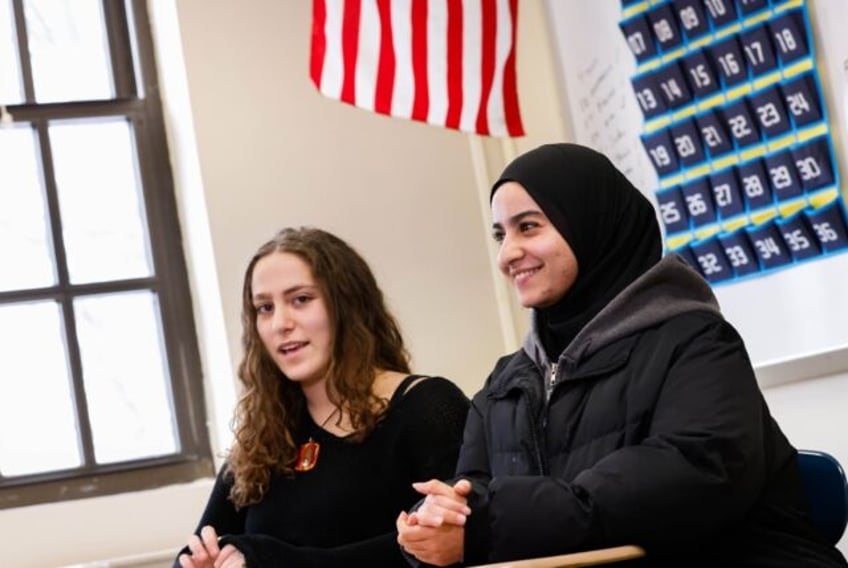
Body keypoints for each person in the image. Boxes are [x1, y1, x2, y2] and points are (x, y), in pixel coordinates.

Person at [396, 143, 848, 567]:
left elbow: (687, 477)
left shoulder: (697, 342)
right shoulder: (506, 382)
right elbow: (470, 492)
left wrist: (490, 522)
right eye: (500, 234)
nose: (507, 254)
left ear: (591, 226)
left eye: (528, 226)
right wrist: (433, 522)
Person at [175, 226, 470, 568]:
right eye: (264, 308)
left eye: (300, 299)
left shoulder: (428, 407)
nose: (280, 324)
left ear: (347, 305)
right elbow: (195, 551)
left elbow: (439, 545)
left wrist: (266, 560)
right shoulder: (264, 433)